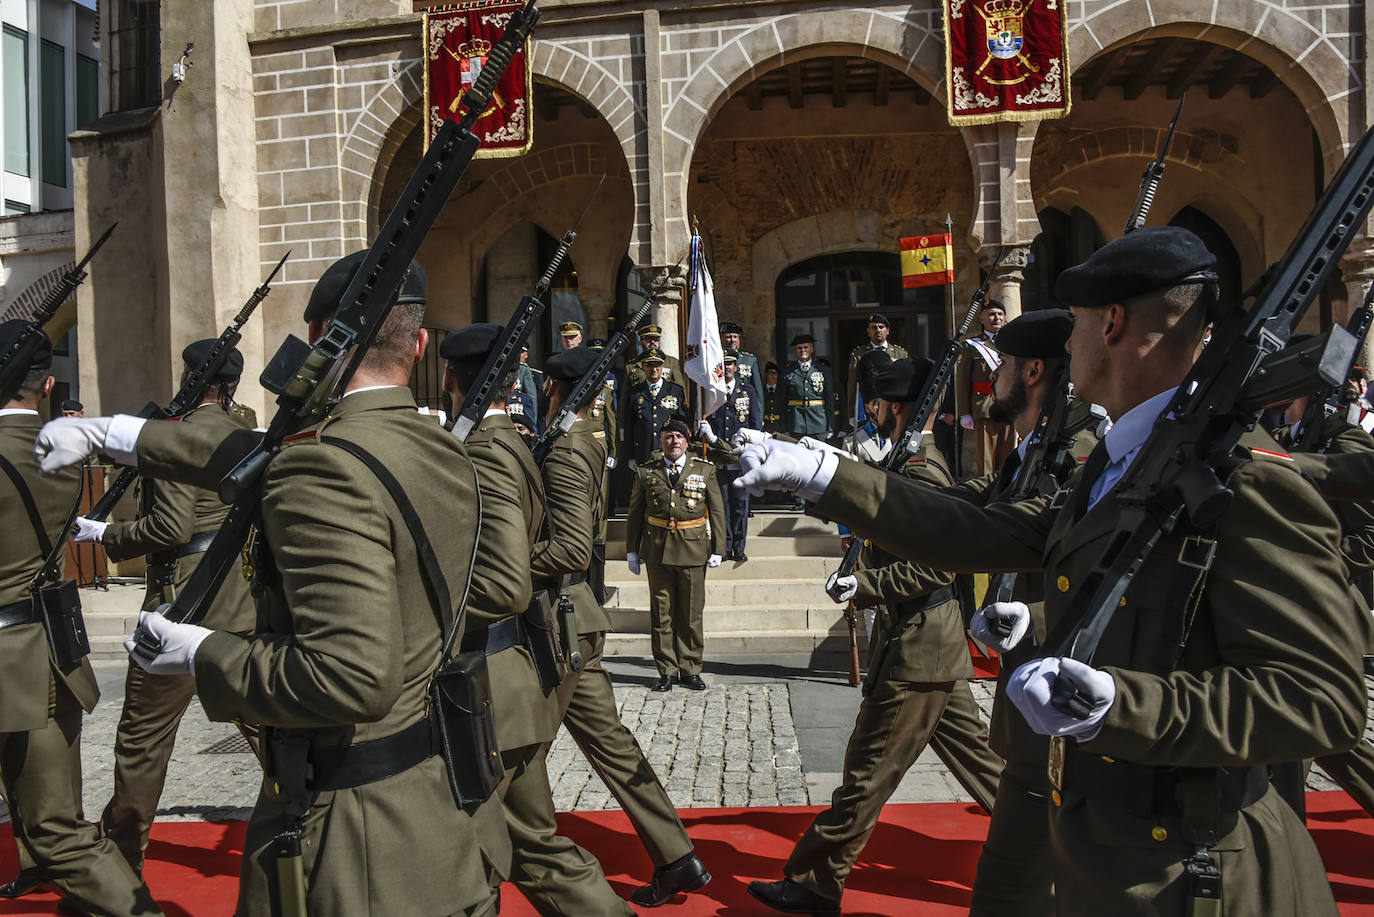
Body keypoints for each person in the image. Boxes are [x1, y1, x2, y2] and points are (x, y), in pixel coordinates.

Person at [735, 226, 1370, 914]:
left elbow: (1321, 697)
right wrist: (820, 472)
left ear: (1115, 322)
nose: (1069, 344)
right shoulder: (1127, 456)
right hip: (1106, 851)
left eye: (1081, 323)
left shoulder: (1245, 474)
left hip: (1202, 873)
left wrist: (1118, 706)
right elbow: (981, 527)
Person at [36, 252, 506, 915]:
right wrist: (118, 434)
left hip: (354, 841)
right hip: (442, 809)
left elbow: (351, 676)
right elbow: (252, 452)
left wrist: (200, 652)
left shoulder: (324, 467)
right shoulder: (446, 449)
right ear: (420, 343)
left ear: (317, 342)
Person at [747, 357, 1003, 916]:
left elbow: (940, 566)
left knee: (867, 770)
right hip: (929, 648)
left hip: (919, 647)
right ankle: (1049, 839)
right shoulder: (903, 463)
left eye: (878, 404)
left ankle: (816, 882)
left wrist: (864, 583)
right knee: (989, 771)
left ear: (896, 408)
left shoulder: (919, 470)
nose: (871, 412)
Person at [441, 324, 631, 917]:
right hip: (503, 678)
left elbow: (506, 575)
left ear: (451, 377)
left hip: (493, 679)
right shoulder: (510, 442)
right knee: (521, 841)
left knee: (505, 841)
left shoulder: (488, 452)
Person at [66, 339, 258, 877]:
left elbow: (170, 528)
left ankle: (122, 861)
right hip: (241, 603)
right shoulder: (249, 432)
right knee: (264, 726)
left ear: (190, 377)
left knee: (142, 742)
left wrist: (106, 533)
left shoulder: (177, 437)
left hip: (182, 603)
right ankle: (312, 824)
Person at [535, 346, 711, 908]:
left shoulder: (566, 447)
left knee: (511, 763)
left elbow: (564, 546)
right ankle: (677, 856)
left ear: (553, 390)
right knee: (612, 745)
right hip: (575, 618)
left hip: (556, 623)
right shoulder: (586, 440)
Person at [0, 322, 162, 917]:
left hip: (11, 654)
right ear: (45, 385)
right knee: (48, 809)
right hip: (52, 641)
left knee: (53, 829)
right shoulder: (66, 451)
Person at [950, 308, 1097, 917]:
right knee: (1010, 887)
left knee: (1026, 886)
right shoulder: (1034, 448)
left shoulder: (1083, 452)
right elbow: (988, 510)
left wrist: (1031, 618)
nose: (995, 378)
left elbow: (1099, 575)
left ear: (1033, 370)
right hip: (1030, 696)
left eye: (1004, 365)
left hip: (1069, 702)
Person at [625, 419, 725, 691]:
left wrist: (719, 548)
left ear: (687, 440)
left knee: (691, 613)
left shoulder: (704, 470)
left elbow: (716, 511)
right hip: (657, 550)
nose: (674, 442)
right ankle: (666, 670)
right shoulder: (647, 471)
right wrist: (632, 550)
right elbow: (635, 514)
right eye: (669, 437)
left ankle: (691, 668)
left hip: (693, 550)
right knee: (662, 614)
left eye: (679, 437)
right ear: (661, 441)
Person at [698, 350, 760, 561]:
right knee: (721, 505)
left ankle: (739, 547)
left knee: (740, 505)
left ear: (736, 366)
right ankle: (723, 547)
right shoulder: (712, 392)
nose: (727, 369)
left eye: (731, 364)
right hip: (719, 459)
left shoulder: (748, 391)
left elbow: (755, 425)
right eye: (723, 365)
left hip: (741, 458)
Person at [955, 300, 1013, 477]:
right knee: (986, 460)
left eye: (1000, 314)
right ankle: (986, 494)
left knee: (1008, 457)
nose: (996, 318)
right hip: (984, 405)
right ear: (981, 319)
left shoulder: (1013, 344)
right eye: (992, 314)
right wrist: (964, 412)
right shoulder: (972, 345)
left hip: (1009, 405)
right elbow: (962, 380)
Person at [845, 313, 908, 428]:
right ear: (868, 331)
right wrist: (851, 413)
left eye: (881, 327)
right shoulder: (858, 354)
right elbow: (853, 385)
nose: (878, 330)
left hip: (893, 406)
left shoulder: (900, 354)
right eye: (874, 328)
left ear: (888, 331)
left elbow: (904, 383)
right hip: (868, 409)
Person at [625, 349, 686, 468]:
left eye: (657, 365)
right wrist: (630, 456)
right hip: (643, 452)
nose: (654, 369)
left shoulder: (675, 390)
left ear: (662, 366)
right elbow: (628, 426)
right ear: (643, 367)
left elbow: (682, 423)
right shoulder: (635, 392)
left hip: (669, 452)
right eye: (649, 365)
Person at [783, 334, 834, 440]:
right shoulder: (787, 372)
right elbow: (782, 401)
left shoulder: (823, 370)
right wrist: (785, 428)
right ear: (795, 351)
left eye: (805, 347)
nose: (803, 350)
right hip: (796, 423)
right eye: (799, 348)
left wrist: (830, 426)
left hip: (819, 422)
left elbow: (829, 400)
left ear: (812, 349)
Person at [627, 323, 684, 388]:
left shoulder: (671, 362)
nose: (653, 342)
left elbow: (680, 389)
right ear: (641, 342)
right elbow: (625, 394)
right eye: (649, 339)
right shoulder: (631, 365)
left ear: (659, 342)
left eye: (656, 339)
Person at [720, 321, 762, 401]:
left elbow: (758, 393)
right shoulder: (716, 360)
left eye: (735, 337)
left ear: (739, 339)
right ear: (722, 339)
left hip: (743, 408)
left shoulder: (749, 360)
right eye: (728, 337)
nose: (732, 340)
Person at [762, 362, 784, 434]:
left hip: (779, 426)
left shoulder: (782, 391)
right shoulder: (761, 390)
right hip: (765, 426)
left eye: (775, 373)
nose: (773, 375)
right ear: (766, 375)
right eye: (770, 373)